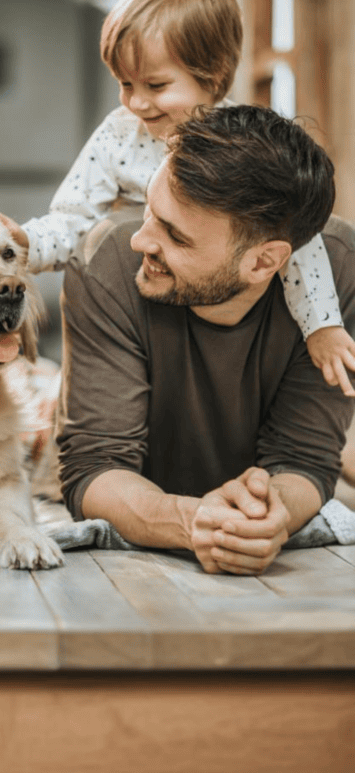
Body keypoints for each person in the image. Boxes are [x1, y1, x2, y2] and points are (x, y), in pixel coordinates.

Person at [23, 0, 355, 395]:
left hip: (227, 316)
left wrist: (322, 327)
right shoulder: (120, 136)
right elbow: (72, 218)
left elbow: (298, 243)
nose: (136, 103)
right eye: (125, 84)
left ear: (213, 76)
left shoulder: (247, 147)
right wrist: (19, 247)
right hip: (151, 312)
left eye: (155, 86)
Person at [58, 104, 355, 574]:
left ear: (263, 262)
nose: (142, 242)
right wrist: (193, 520)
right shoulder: (107, 265)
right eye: (150, 213)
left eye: (174, 236)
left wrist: (267, 517)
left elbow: (304, 458)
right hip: (146, 543)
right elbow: (93, 466)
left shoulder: (340, 275)